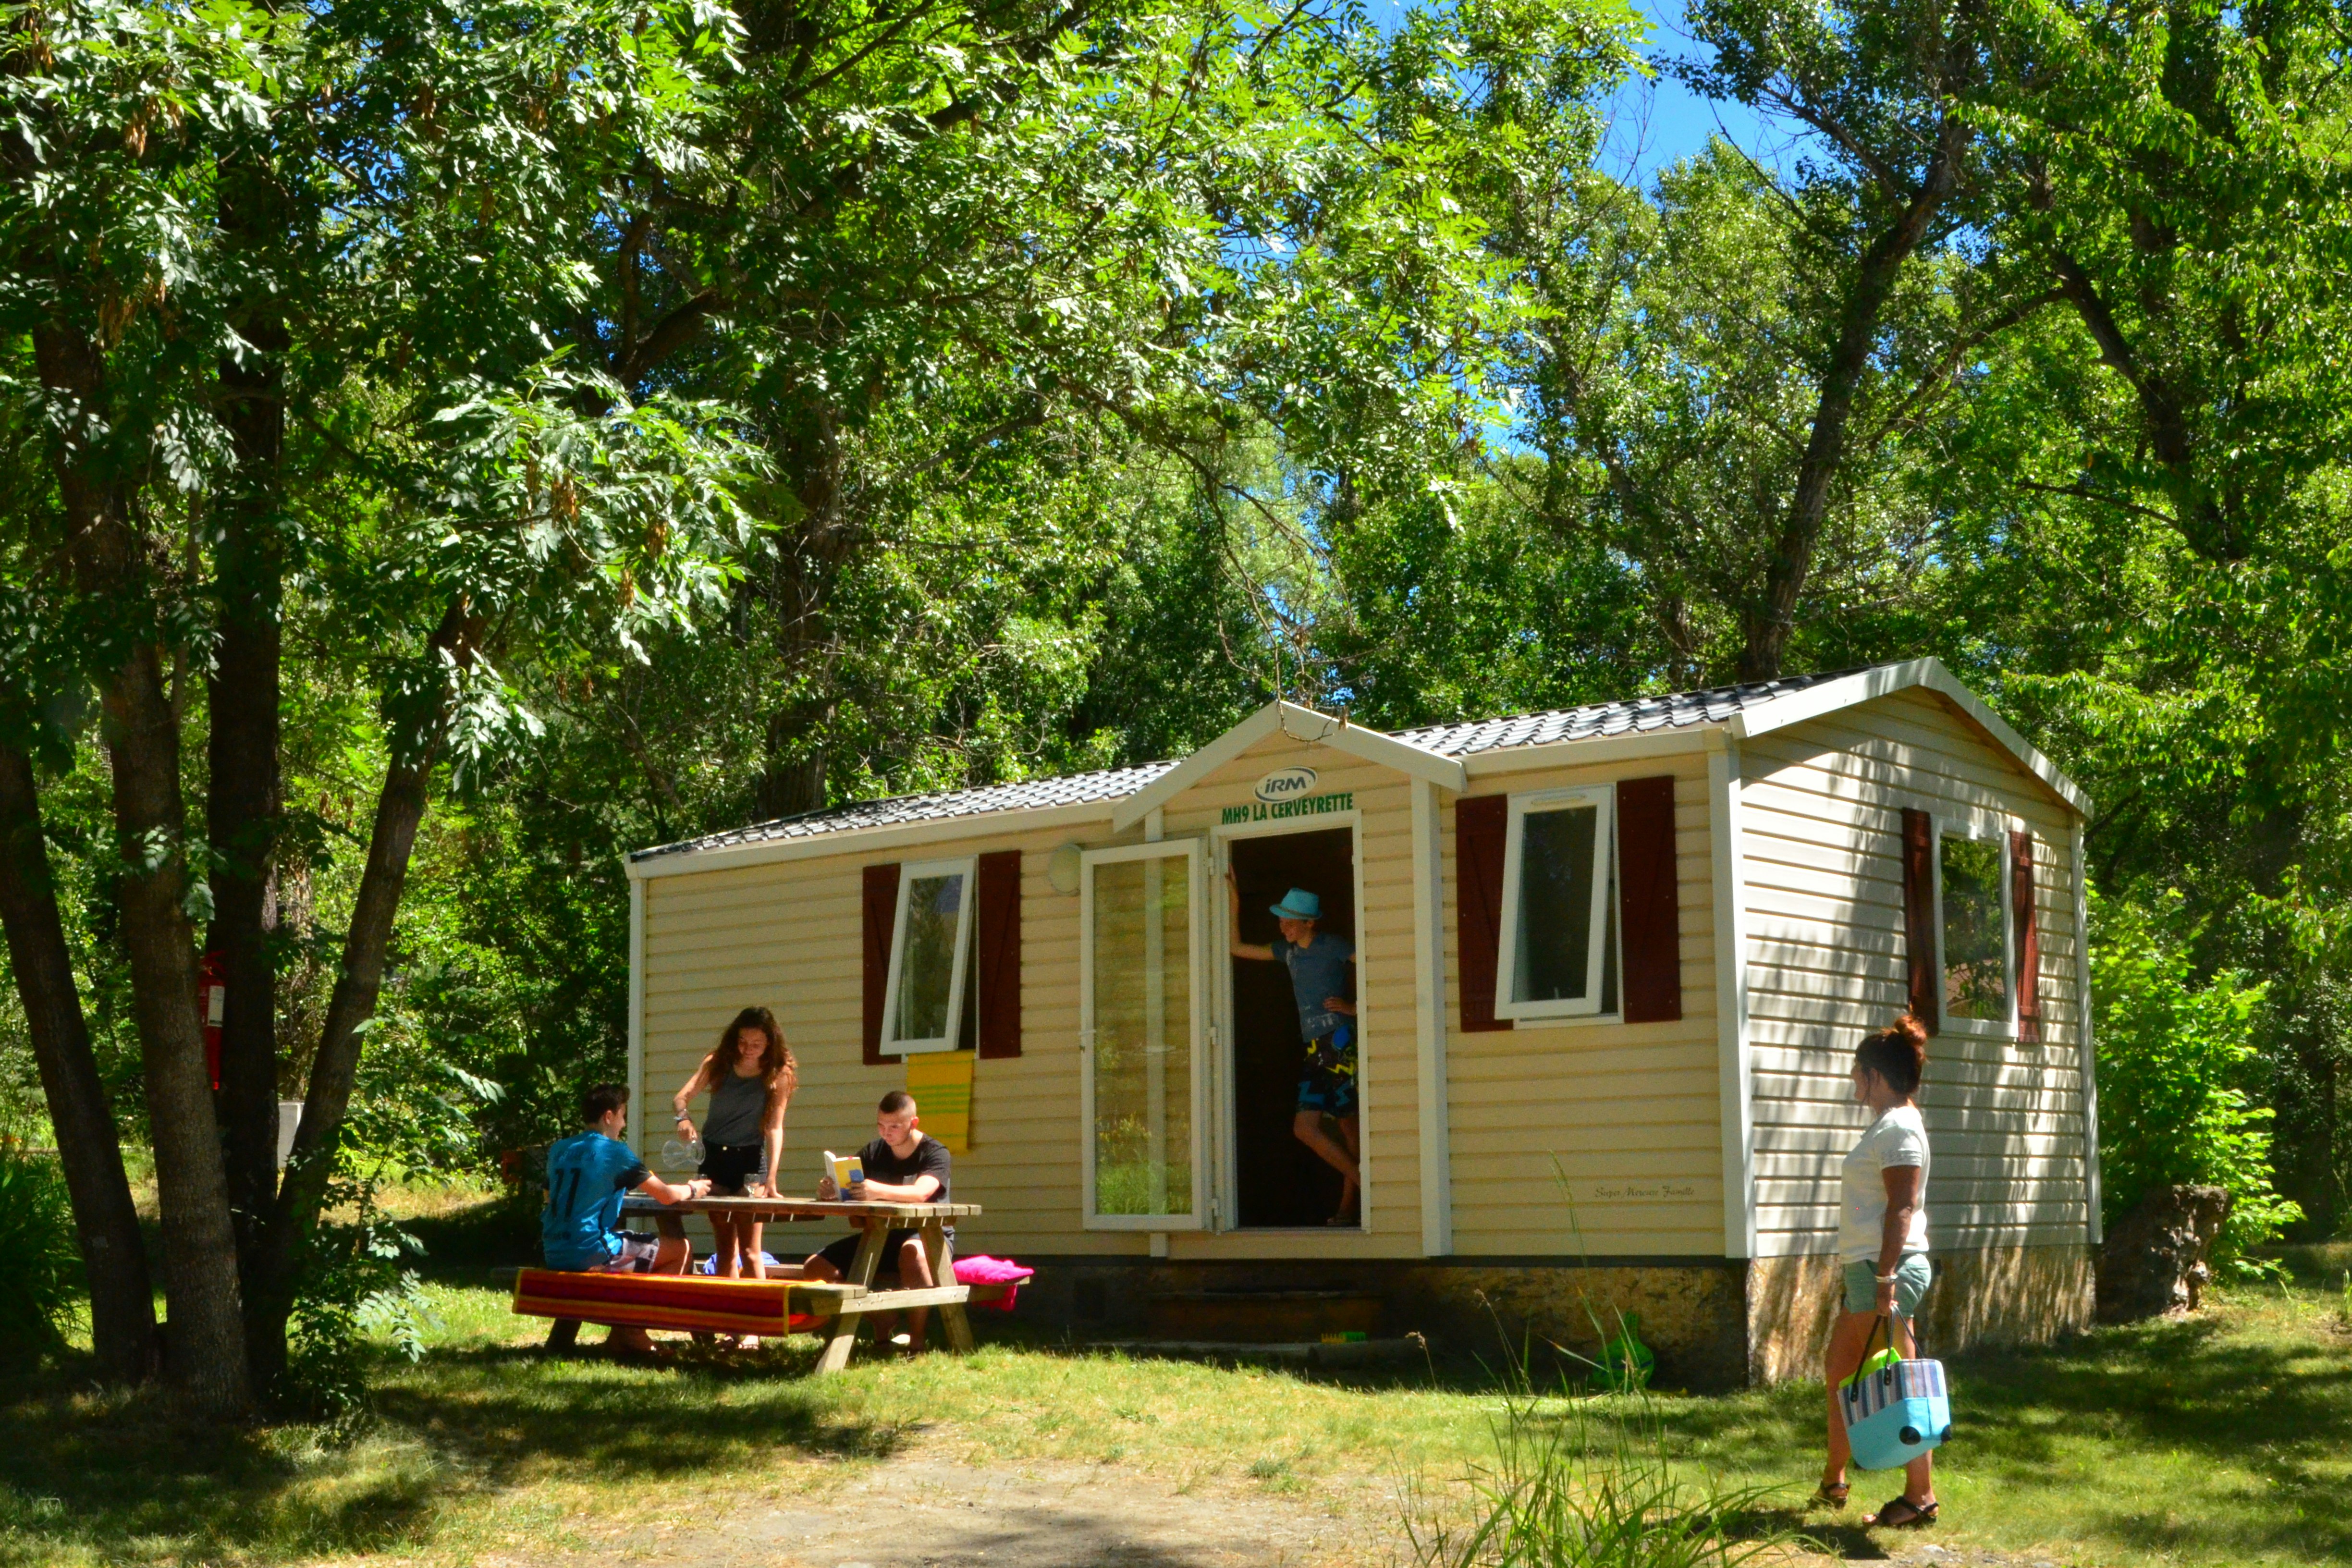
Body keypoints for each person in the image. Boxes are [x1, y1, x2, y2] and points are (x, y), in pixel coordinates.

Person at [1817, 1013, 1938, 1529]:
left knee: (1900, 1382)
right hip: (1870, 1269)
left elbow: (1902, 1209)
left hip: (1886, 1270)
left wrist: (1887, 1277)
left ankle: (1920, 1497)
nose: (1853, 1083)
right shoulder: (1890, 1127)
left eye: (1856, 1073)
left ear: (1872, 1074)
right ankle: (1834, 1479)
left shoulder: (1899, 1128)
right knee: (1843, 1372)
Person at [1227, 870, 1360, 1225]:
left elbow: (1376, 963)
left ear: (1307, 923)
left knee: (1351, 1130)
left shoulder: (1332, 945)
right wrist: (1234, 902)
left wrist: (1355, 1008)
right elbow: (1236, 948)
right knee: (1305, 1129)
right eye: (1281, 920)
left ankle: (1348, 1209)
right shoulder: (1287, 953)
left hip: (1339, 1041)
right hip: (1314, 1048)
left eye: (1288, 921)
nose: (1282, 926)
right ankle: (1368, 1185)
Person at [542, 1082, 710, 1355]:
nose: (623, 1123)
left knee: (634, 1248)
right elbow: (666, 1195)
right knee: (681, 1249)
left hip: (554, 1249)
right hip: (591, 1251)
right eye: (622, 1115)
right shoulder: (615, 1152)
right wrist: (693, 1188)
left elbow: (550, 1197)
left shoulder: (560, 1149)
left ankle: (623, 1333)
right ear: (609, 1116)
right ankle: (632, 1331)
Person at [804, 1090, 952, 1353]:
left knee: (912, 1253)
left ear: (913, 1123)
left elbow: (921, 1193)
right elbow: (852, 1187)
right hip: (880, 1235)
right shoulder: (873, 1151)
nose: (887, 1133)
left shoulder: (935, 1152)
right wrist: (831, 1190)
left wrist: (878, 1190)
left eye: (895, 1126)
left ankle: (917, 1342)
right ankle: (880, 1319)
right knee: (815, 1268)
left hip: (927, 1236)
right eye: (881, 1125)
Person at [672, 1006, 798, 1304]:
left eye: (757, 1044)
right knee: (726, 1250)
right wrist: (684, 1119)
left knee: (751, 1251)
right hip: (714, 1159)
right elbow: (681, 1097)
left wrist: (772, 1179)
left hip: (751, 1160)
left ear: (770, 1043)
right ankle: (731, 1321)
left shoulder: (779, 1074)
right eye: (743, 1042)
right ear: (734, 1039)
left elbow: (775, 1127)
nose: (749, 1049)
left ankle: (756, 1323)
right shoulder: (718, 1063)